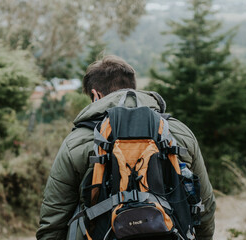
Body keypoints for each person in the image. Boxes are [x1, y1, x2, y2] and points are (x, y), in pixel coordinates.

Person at [36, 55, 216, 240]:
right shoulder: (178, 132)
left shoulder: (76, 141)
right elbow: (205, 204)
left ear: (96, 95)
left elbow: (54, 217)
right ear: (133, 89)